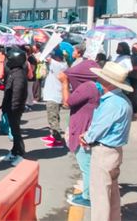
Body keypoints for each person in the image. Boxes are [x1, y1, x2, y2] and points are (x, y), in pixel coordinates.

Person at [80, 62, 133, 221]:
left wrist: (86, 137)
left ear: (108, 82)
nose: (98, 81)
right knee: (112, 194)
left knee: (100, 197)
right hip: (114, 150)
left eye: (101, 79)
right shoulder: (122, 100)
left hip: (104, 151)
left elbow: (98, 128)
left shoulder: (112, 103)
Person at [59, 58, 101, 208]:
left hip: (82, 130)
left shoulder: (88, 87)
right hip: (88, 127)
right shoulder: (95, 85)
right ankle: (88, 191)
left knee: (86, 165)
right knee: (88, 164)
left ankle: (88, 197)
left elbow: (67, 102)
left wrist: (64, 83)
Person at [0, 49, 28, 166]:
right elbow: (8, 90)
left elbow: (17, 94)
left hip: (15, 108)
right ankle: (14, 151)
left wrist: (13, 108)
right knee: (14, 130)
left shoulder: (19, 75)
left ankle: (20, 154)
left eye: (9, 59)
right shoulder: (13, 72)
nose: (7, 61)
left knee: (16, 132)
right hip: (10, 107)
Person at [41, 48, 68, 148]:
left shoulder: (58, 65)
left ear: (57, 57)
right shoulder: (63, 65)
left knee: (53, 118)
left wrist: (51, 46)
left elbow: (46, 57)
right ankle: (53, 136)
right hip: (55, 95)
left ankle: (57, 140)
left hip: (54, 96)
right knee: (55, 116)